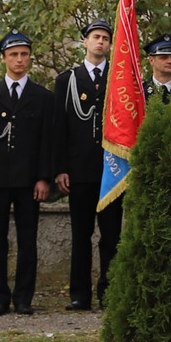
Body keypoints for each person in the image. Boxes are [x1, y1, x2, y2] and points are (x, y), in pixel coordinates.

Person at [0, 31, 60, 316]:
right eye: (13, 55)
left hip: (28, 181)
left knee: (27, 241)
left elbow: (48, 141)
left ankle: (23, 298)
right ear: (4, 59)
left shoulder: (43, 98)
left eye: (24, 54)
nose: (19, 60)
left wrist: (44, 177)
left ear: (30, 58)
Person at [55, 19, 119, 311]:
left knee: (112, 236)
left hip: (112, 171)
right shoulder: (67, 80)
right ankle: (79, 294)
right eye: (96, 37)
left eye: (106, 38)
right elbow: (60, 127)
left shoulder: (119, 79)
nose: (101, 42)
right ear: (85, 42)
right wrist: (60, 168)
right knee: (81, 235)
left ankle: (110, 291)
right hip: (79, 170)